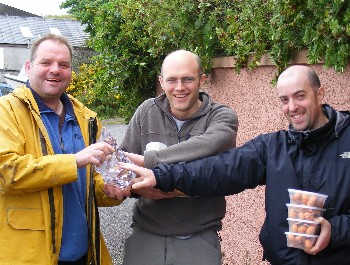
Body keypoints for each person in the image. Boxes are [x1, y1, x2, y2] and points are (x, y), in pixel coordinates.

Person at [121, 65, 350, 265]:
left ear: (320, 94)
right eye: (284, 100)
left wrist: (335, 230)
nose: (292, 107)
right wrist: (162, 176)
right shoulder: (273, 146)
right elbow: (218, 170)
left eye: (300, 96)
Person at [0, 34, 129, 265]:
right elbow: (7, 172)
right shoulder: (6, 112)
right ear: (28, 67)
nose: (55, 70)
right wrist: (74, 161)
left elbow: (92, 184)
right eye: (46, 62)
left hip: (82, 254)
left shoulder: (88, 119)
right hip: (28, 257)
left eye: (64, 65)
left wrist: (110, 190)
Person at [105, 50, 238, 265]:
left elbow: (208, 146)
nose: (179, 87)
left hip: (199, 237)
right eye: (171, 80)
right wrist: (130, 186)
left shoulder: (221, 117)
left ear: (202, 80)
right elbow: (122, 168)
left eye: (188, 79)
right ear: (161, 81)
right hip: (146, 235)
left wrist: (152, 163)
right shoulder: (146, 111)